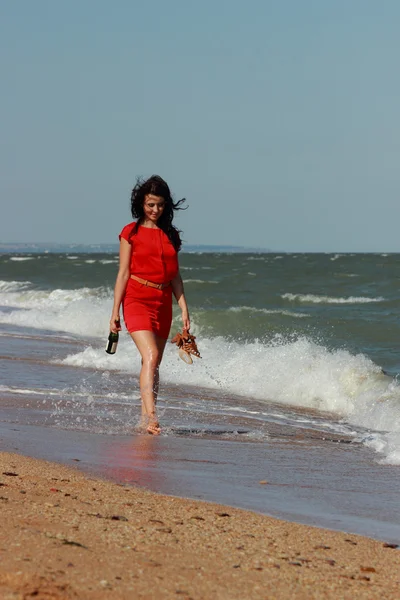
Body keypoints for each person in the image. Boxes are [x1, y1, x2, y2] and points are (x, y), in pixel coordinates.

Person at [109, 175, 190, 435]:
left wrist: (184, 308)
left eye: (160, 205)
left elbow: (174, 275)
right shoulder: (130, 232)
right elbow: (122, 273)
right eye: (150, 205)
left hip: (162, 302)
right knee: (151, 357)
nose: (155, 210)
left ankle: (145, 420)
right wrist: (114, 313)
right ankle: (154, 417)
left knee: (154, 364)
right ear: (141, 204)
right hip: (136, 298)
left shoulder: (171, 235)